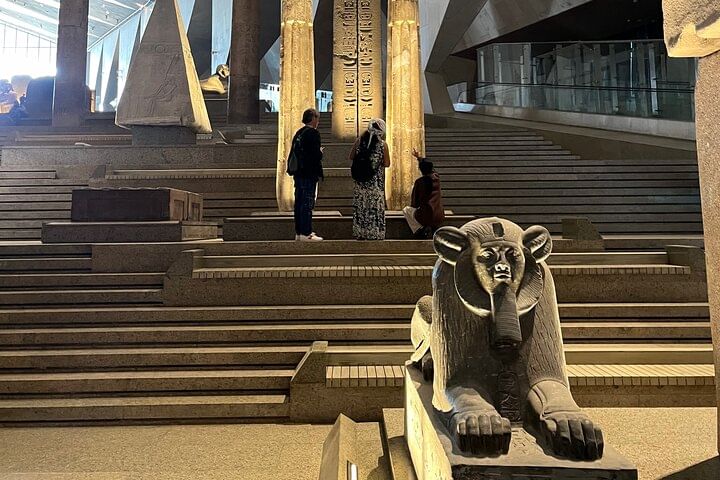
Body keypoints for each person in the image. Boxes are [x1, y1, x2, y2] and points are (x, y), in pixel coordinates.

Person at [349, 119, 391, 240]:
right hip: (375, 182)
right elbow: (387, 163)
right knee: (374, 207)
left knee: (361, 206)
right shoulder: (382, 145)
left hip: (360, 182)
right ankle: (374, 232)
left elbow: (351, 156)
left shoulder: (359, 141)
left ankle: (360, 232)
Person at [291, 108, 325, 241]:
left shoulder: (299, 133)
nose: (318, 121)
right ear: (313, 118)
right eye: (317, 118)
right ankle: (306, 233)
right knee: (307, 202)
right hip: (309, 173)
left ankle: (299, 232)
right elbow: (315, 155)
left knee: (299, 202)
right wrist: (320, 152)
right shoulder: (313, 133)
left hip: (299, 172)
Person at [403, 149, 445, 238]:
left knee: (406, 210)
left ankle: (419, 230)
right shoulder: (437, 178)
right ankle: (431, 228)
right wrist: (419, 158)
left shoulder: (419, 182)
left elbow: (415, 203)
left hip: (425, 216)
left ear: (420, 169)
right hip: (439, 215)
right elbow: (430, 167)